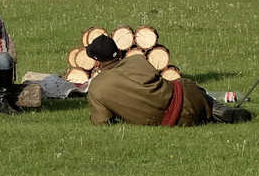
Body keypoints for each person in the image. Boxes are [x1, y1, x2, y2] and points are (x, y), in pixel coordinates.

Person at [83, 33, 234, 126]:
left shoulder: (97, 88)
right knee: (188, 89)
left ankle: (212, 113)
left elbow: (102, 122)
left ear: (97, 62)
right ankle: (217, 109)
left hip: (170, 121)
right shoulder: (137, 60)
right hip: (189, 96)